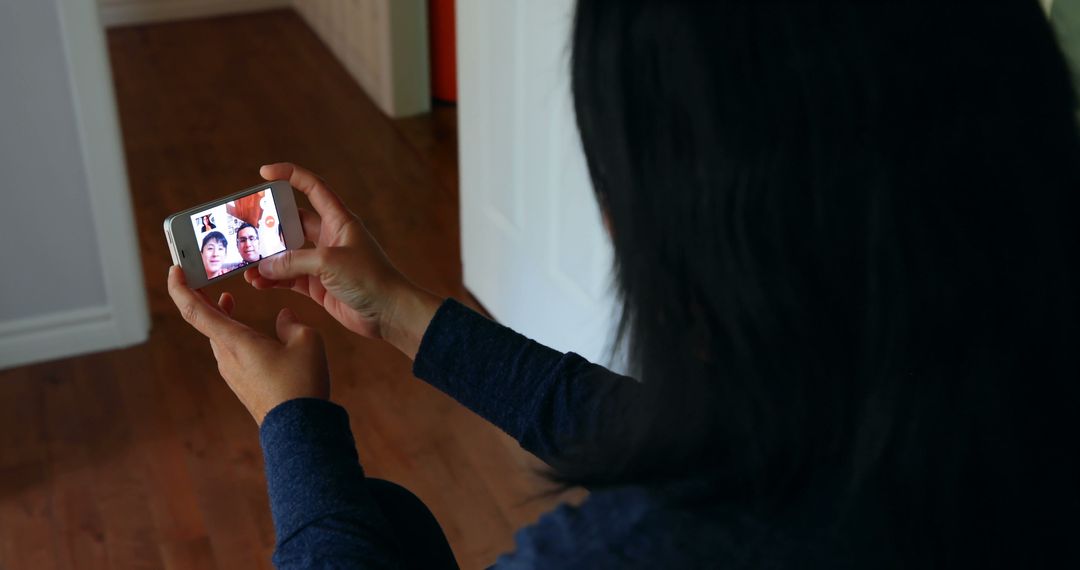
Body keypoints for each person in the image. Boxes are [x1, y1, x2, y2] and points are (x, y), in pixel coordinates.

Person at [167, 1, 1080, 567]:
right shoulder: (974, 415)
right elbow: (693, 443)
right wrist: (406, 313)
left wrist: (291, 426)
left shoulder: (635, 556)